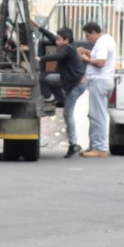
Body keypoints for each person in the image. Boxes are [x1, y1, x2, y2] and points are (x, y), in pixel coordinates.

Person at [33, 22, 87, 158]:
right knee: (47, 78)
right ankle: (54, 98)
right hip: (67, 82)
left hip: (76, 86)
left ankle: (74, 144)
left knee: (68, 115)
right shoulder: (65, 44)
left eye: (59, 39)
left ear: (66, 40)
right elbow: (51, 37)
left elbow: (58, 56)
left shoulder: (68, 48)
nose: (56, 41)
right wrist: (38, 26)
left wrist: (41, 58)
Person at [77, 21, 117, 158]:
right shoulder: (107, 39)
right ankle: (94, 145)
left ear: (94, 32)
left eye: (88, 36)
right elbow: (99, 55)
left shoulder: (101, 43)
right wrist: (87, 51)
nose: (88, 39)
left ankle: (99, 147)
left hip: (99, 81)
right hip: (104, 81)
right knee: (94, 114)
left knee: (97, 115)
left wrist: (84, 58)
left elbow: (100, 62)